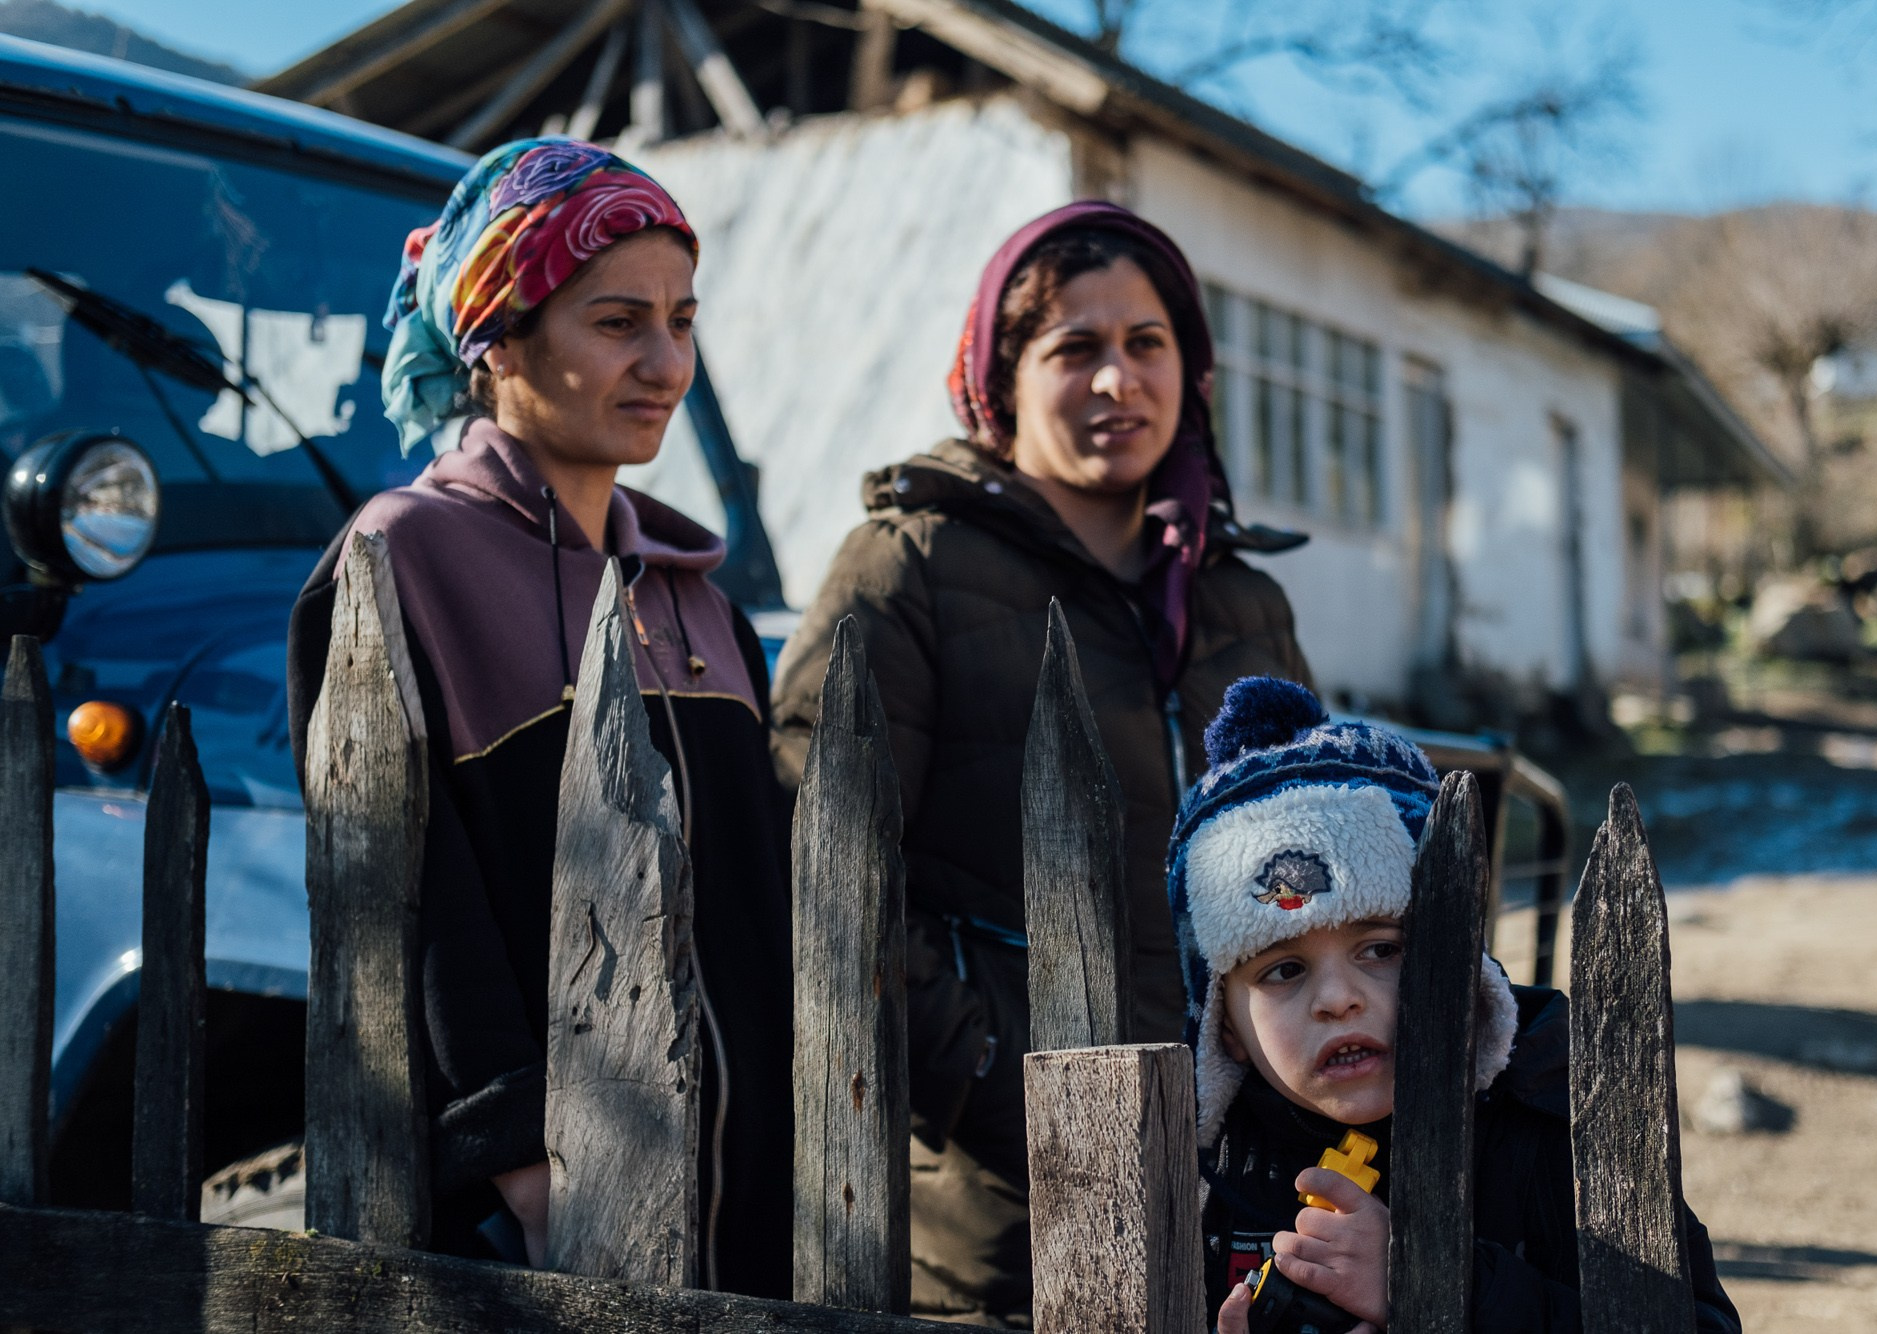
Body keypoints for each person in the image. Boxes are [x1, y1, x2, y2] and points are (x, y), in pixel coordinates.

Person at [769, 201, 1313, 1321]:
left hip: (1241, 1186)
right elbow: (817, 871)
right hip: (992, 1212)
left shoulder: (1242, 598)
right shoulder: (907, 567)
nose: (1118, 379)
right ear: (1000, 381)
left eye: (1147, 342)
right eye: (1074, 348)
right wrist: (996, 1083)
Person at [286, 138, 793, 1293]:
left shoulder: (705, 603)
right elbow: (405, 896)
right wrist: (516, 1154)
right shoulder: (400, 560)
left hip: (756, 1208)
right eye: (618, 323)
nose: (665, 363)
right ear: (499, 339)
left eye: (682, 321)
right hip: (544, 1224)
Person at [1171, 677, 1741, 1333]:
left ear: (1460, 964)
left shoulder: (1554, 1125)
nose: (1337, 999)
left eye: (1381, 949)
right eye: (1284, 970)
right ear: (1226, 1028)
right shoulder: (1202, 1174)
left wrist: (1441, 1282)